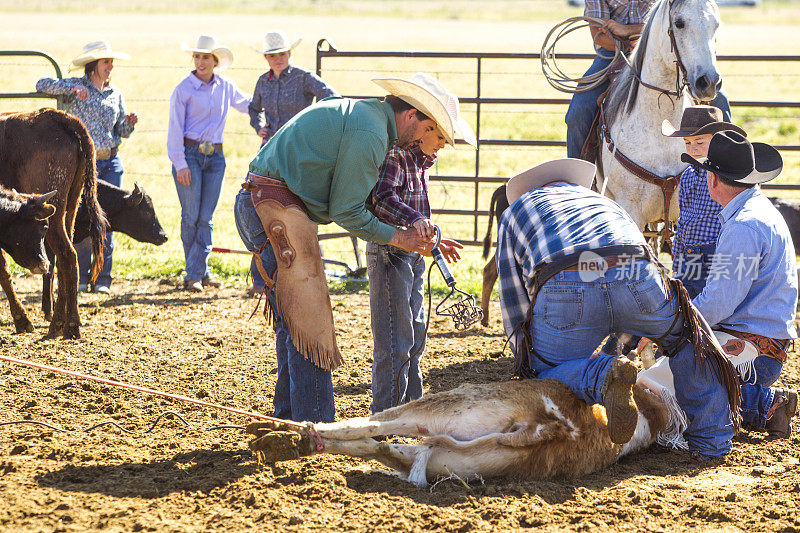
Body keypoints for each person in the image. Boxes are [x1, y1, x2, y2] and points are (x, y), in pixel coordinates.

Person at [234, 72, 468, 423]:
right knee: (308, 321)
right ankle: (318, 427)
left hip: (269, 202)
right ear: (411, 116)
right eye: (426, 128)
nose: (421, 139)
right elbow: (347, 210)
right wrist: (400, 238)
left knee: (293, 321)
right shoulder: (370, 134)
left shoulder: (365, 118)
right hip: (274, 206)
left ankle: (291, 420)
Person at [497, 157, 739, 458]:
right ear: (573, 184)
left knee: (545, 373)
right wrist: (625, 330)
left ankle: (603, 375)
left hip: (565, 280)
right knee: (688, 340)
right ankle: (711, 442)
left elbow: (513, 298)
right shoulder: (604, 203)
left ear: (533, 190)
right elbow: (642, 262)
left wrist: (528, 360)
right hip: (635, 271)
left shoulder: (516, 212)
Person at [683, 131, 798, 439]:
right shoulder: (757, 213)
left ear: (713, 181)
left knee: (679, 383)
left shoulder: (743, 226)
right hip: (762, 344)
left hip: (753, 352)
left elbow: (719, 301)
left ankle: (764, 403)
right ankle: (759, 399)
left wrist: (676, 322)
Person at [366, 113, 476, 414]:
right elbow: (383, 199)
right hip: (391, 252)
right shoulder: (397, 156)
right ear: (424, 129)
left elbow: (413, 211)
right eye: (439, 136)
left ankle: (412, 408)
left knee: (414, 333)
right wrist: (417, 221)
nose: (442, 145)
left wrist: (434, 237)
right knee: (395, 338)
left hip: (412, 253)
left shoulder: (419, 162)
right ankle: (387, 414)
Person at [565, 0, 732, 159]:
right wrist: (632, 37)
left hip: (663, 48)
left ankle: (730, 169)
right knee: (579, 111)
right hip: (614, 52)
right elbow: (599, 36)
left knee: (718, 99)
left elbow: (681, 18)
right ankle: (578, 179)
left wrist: (627, 30)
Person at [36, 40, 137, 294]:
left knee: (106, 220)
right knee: (81, 218)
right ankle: (81, 277)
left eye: (111, 62)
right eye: (106, 62)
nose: (110, 66)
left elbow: (120, 132)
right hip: (83, 162)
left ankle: (102, 278)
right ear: (94, 65)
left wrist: (129, 123)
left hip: (111, 159)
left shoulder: (116, 93)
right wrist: (68, 90)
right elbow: (41, 85)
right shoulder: (77, 86)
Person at [245, 30, 339, 296]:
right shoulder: (263, 81)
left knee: (302, 206)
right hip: (270, 150)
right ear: (266, 58)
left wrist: (312, 126)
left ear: (289, 54)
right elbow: (254, 108)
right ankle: (266, 277)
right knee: (265, 205)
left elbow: (330, 96)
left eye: (282, 54)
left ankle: (311, 273)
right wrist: (259, 126)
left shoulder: (303, 77)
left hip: (299, 151)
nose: (278, 59)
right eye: (273, 55)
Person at [167, 35, 250, 293]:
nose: (200, 61)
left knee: (206, 218)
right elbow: (174, 129)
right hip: (190, 155)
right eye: (197, 56)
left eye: (206, 57)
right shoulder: (183, 89)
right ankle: (194, 273)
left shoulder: (225, 86)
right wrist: (180, 163)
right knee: (191, 217)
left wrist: (271, 107)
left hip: (215, 157)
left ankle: (199, 272)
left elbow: (248, 104)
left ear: (215, 62)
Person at [662, 105, 746, 298]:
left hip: (717, 253)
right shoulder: (687, 176)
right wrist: (677, 262)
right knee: (687, 304)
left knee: (713, 302)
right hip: (690, 254)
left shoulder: (728, 178)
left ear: (718, 141)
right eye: (688, 142)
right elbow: (682, 221)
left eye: (700, 142)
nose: (693, 148)